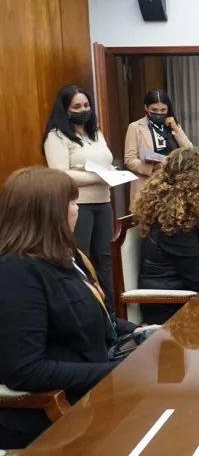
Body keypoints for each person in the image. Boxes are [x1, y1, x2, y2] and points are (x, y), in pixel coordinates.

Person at [0, 167, 138, 450]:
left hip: (96, 391)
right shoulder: (17, 271)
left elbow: (103, 321)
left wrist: (142, 333)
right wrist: (117, 372)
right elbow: (26, 370)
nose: (78, 210)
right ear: (50, 213)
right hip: (56, 410)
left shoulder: (69, 257)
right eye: (73, 203)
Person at [42, 85, 115, 307]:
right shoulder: (56, 136)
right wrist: (99, 176)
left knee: (106, 259)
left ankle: (111, 311)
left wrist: (109, 173)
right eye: (76, 107)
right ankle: (89, 308)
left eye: (86, 105)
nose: (83, 110)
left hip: (103, 202)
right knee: (83, 258)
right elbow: (60, 174)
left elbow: (107, 163)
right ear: (65, 109)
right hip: (78, 205)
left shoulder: (96, 133)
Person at [133, 147, 199, 325]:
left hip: (182, 297)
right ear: (193, 188)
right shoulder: (174, 228)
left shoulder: (174, 217)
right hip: (172, 308)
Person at [125, 89, 193, 203]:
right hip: (148, 185)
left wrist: (176, 129)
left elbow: (190, 151)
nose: (159, 113)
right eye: (154, 110)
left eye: (163, 110)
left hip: (173, 185)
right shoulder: (135, 127)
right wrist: (153, 168)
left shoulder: (172, 126)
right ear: (146, 108)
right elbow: (129, 160)